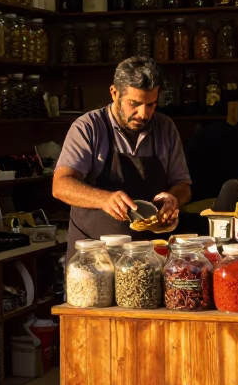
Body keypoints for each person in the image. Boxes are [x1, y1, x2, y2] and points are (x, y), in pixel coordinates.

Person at [53, 57, 192, 261]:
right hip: (95, 260)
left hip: (150, 258)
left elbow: (183, 185)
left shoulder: (166, 128)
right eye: (134, 104)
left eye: (151, 105)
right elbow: (60, 185)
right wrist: (104, 199)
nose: (143, 114)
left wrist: (174, 199)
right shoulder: (88, 128)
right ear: (114, 93)